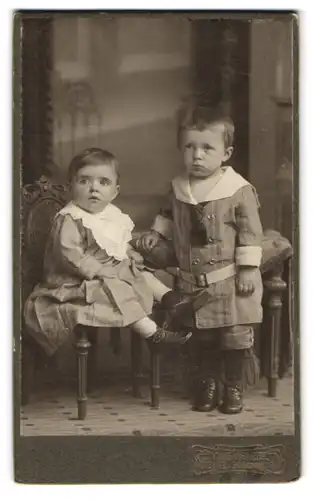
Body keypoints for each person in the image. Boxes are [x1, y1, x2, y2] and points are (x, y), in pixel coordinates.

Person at [137, 103, 264, 414]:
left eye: (207, 148)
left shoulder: (238, 190)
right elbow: (168, 214)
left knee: (234, 337)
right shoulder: (179, 188)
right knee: (202, 338)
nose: (197, 155)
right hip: (194, 283)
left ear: (226, 153)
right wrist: (158, 232)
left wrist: (248, 268)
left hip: (230, 281)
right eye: (190, 147)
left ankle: (232, 386)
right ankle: (206, 384)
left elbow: (250, 232)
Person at [24, 147, 201, 358]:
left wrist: (128, 253)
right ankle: (153, 335)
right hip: (71, 280)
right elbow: (70, 255)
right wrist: (101, 270)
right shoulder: (70, 218)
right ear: (71, 187)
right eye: (84, 181)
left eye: (103, 182)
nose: (93, 189)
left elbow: (114, 243)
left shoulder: (109, 216)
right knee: (116, 285)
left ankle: (171, 299)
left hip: (100, 271)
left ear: (115, 191)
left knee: (137, 271)